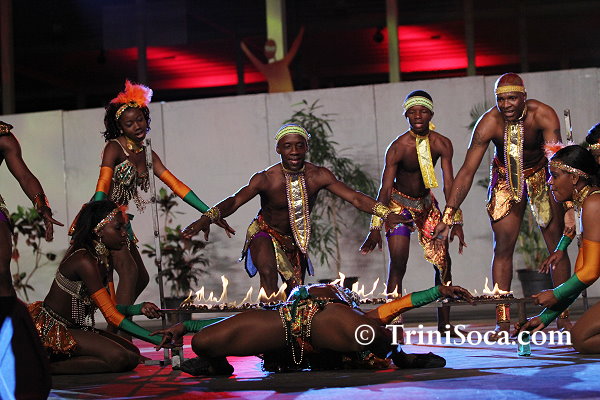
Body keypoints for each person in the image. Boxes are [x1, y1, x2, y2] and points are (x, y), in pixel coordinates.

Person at [182, 123, 411, 296]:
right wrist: (207, 218)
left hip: (295, 242)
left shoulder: (319, 175)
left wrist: (385, 213)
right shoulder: (266, 178)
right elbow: (235, 201)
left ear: (306, 148)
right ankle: (270, 335)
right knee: (268, 274)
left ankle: (288, 335)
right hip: (264, 234)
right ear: (278, 149)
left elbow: (355, 198)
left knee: (296, 295)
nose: (294, 151)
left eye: (299, 145)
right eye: (288, 146)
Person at [432, 73, 572, 334]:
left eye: (512, 98)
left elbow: (557, 161)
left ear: (524, 97)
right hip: (505, 177)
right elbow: (467, 171)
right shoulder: (489, 122)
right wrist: (448, 215)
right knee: (503, 247)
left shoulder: (543, 115)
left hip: (542, 175)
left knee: (556, 245)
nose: (506, 104)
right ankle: (503, 320)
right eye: (501, 99)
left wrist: (569, 204)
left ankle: (562, 315)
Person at [87, 80, 234, 310]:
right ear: (120, 127)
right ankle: (119, 327)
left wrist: (210, 213)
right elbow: (103, 184)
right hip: (104, 219)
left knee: (141, 278)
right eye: (129, 123)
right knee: (129, 273)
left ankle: (119, 319)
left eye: (140, 120)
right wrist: (96, 220)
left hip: (120, 220)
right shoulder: (114, 148)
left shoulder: (148, 154)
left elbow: (177, 185)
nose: (137, 126)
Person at [152, 283, 474, 376]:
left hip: (324, 325)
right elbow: (397, 307)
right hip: (286, 323)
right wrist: (187, 326)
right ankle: (218, 366)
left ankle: (401, 357)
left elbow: (395, 308)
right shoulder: (297, 306)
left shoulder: (348, 311)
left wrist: (438, 292)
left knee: (370, 332)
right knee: (203, 342)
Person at [360, 90, 465, 336]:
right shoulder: (398, 147)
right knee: (398, 262)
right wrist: (375, 226)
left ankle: (444, 324)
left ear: (431, 114)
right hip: (398, 206)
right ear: (406, 115)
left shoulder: (442, 144)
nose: (418, 116)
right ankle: (394, 324)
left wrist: (455, 219)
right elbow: (385, 189)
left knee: (444, 264)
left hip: (427, 206)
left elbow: (449, 184)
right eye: (413, 112)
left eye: (423, 111)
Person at [29, 201, 165, 374]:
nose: (125, 233)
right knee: (121, 358)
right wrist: (156, 339)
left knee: (133, 353)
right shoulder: (84, 260)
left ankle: (60, 359)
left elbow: (110, 307)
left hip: (75, 328)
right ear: (99, 231)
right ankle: (44, 367)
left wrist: (139, 309)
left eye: (124, 227)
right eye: (118, 228)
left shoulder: (103, 258)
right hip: (55, 329)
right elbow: (110, 315)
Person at [514, 145, 600, 353]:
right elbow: (582, 274)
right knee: (580, 339)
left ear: (574, 178)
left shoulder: (594, 204)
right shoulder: (586, 204)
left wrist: (556, 293)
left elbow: (591, 272)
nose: (549, 182)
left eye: (555, 175)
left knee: (581, 339)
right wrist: (545, 317)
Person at [0, 120, 62, 398]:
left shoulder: (3, 137)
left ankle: (18, 362)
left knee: (2, 278)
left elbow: (24, 176)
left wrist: (42, 206)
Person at [240, 27, 304, 93]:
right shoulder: (278, 64)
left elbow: (295, 47)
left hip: (281, 96)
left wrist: (245, 49)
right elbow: (294, 47)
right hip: (281, 96)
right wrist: (301, 32)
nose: (269, 51)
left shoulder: (280, 64)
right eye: (268, 48)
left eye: (270, 48)